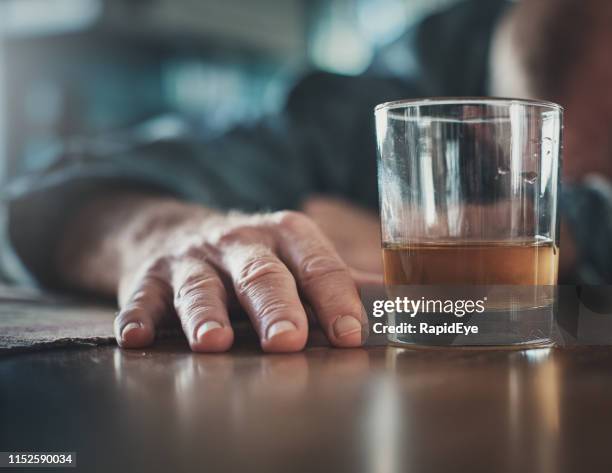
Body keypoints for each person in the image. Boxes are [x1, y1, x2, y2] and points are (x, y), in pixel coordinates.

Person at [3, 0, 612, 353]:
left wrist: (578, 228)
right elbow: (59, 193)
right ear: (483, 126)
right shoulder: (374, 107)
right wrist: (176, 234)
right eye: (555, 179)